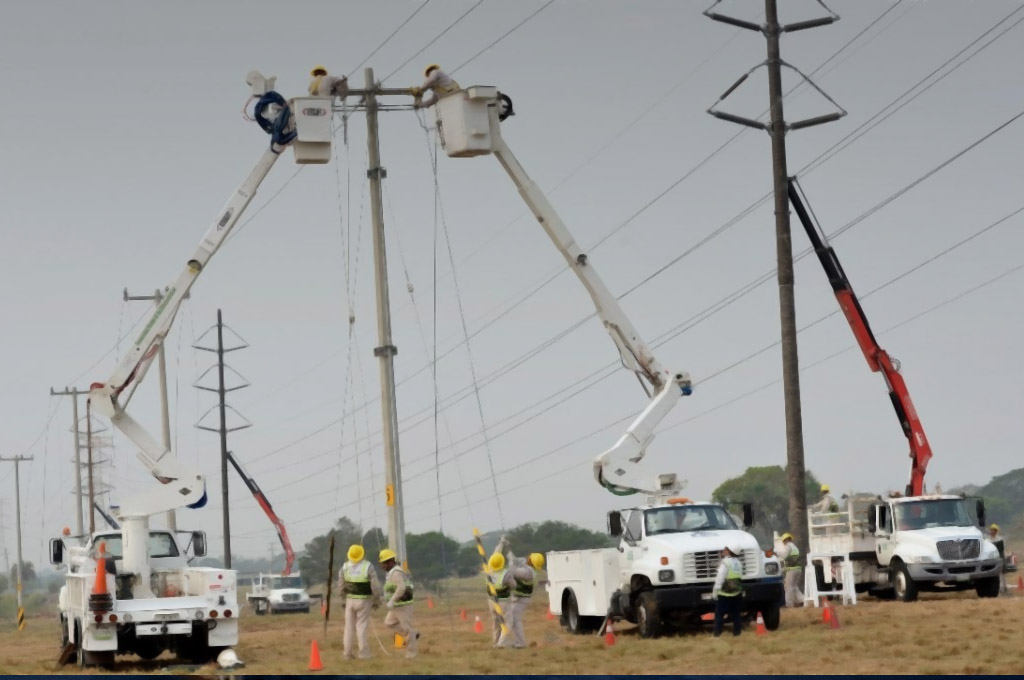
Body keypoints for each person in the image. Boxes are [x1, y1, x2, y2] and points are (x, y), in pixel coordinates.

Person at [338, 543, 382, 660]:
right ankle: (363, 654)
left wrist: (343, 598)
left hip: (350, 600)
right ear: (362, 554)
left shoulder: (344, 567)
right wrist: (376, 599)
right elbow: (375, 586)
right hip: (364, 600)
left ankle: (347, 654)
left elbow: (341, 586)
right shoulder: (368, 566)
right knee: (361, 626)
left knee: (349, 628)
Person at [379, 549, 419, 659]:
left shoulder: (396, 573)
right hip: (396, 605)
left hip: (403, 605)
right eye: (381, 563)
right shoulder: (391, 573)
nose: (382, 566)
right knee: (389, 623)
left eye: (384, 563)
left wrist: (392, 600)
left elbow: (401, 588)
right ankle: (413, 634)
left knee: (407, 628)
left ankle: (412, 653)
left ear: (391, 561)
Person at [501, 552, 544, 649]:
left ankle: (520, 643)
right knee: (513, 620)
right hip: (519, 598)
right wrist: (514, 556)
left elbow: (513, 571)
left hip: (521, 599)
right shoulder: (529, 569)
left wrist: (511, 560)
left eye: (530, 558)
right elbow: (521, 562)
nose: (527, 558)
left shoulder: (527, 573)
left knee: (515, 620)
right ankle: (516, 641)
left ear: (531, 561)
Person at [711, 546, 744, 637]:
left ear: (730, 551)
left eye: (725, 549)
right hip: (736, 592)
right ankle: (737, 633)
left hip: (724, 594)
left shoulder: (725, 563)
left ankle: (717, 633)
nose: (723, 551)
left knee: (719, 614)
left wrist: (715, 591)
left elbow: (720, 578)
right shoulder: (739, 563)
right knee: (736, 614)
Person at [486, 537, 512, 647]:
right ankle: (501, 643)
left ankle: (496, 642)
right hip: (503, 602)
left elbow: (495, 555)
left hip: (491, 601)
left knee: (496, 623)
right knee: (507, 623)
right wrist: (510, 557)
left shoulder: (489, 569)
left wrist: (501, 542)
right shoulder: (505, 574)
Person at [778, 533, 804, 607]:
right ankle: (801, 600)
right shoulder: (795, 547)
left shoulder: (788, 546)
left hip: (792, 570)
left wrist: (777, 553)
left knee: (788, 587)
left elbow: (784, 556)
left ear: (785, 540)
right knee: (794, 586)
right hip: (798, 569)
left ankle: (789, 604)